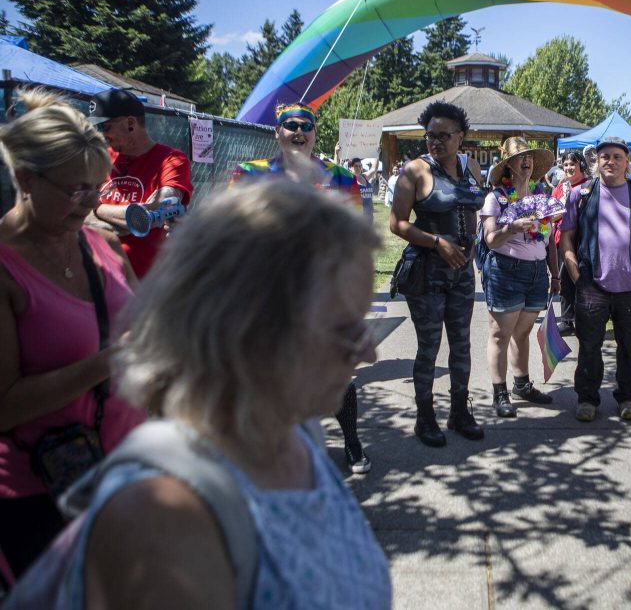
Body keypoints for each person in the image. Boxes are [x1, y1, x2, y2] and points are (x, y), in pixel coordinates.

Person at [60, 178, 390, 607]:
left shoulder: (293, 430)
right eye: (346, 329)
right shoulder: (164, 519)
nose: (369, 353)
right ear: (244, 331)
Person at [0, 90, 143, 578]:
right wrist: (106, 363)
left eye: (96, 188)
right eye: (74, 189)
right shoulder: (6, 268)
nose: (91, 203)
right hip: (42, 497)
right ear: (24, 179)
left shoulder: (102, 244)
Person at [232, 103, 370, 474]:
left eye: (305, 125)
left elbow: (355, 237)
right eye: (289, 125)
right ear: (276, 132)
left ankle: (353, 445)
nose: (298, 131)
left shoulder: (340, 177)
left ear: (314, 133)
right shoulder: (249, 174)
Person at [390, 101, 486, 448]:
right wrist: (438, 244)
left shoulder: (472, 166)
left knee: (462, 344)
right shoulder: (415, 171)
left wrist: (471, 241)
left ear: (461, 136)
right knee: (428, 347)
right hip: (427, 273)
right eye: (430, 136)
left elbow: (473, 207)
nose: (435, 142)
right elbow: (397, 224)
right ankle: (425, 417)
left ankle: (460, 411)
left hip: (461, 273)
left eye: (444, 136)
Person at [559, 136, 631, 423]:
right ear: (596, 160)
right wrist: (573, 270)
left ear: (627, 161)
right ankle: (587, 399)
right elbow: (566, 236)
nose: (611, 161)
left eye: (617, 156)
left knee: (629, 347)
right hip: (592, 286)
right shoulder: (580, 194)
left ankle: (628, 398)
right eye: (604, 156)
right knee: (590, 346)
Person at [480, 137, 557, 418]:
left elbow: (551, 242)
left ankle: (522, 385)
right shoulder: (496, 198)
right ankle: (500, 393)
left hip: (537, 273)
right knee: (500, 334)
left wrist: (556, 273)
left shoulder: (542, 197)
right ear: (508, 165)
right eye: (520, 157)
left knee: (522, 332)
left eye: (530, 157)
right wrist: (511, 227)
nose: (527, 160)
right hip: (506, 271)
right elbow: (490, 240)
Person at [88, 89, 193, 278]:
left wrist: (96, 208)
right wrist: (134, 223)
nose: (102, 135)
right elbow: (75, 211)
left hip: (147, 286)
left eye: (106, 127)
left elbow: (155, 213)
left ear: (130, 123)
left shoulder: (170, 160)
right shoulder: (103, 158)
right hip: (100, 280)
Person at [550, 151, 590, 336]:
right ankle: (567, 320)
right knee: (565, 279)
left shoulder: (590, 186)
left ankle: (583, 319)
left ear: (581, 165)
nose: (568, 168)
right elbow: (551, 210)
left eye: (572, 164)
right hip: (561, 238)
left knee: (580, 278)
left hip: (583, 239)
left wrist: (561, 213)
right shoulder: (561, 187)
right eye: (565, 165)